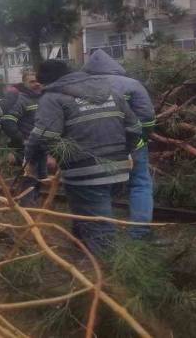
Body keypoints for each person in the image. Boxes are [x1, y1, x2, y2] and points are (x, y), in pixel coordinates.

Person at [25, 60, 141, 256]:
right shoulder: (111, 91)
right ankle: (82, 255)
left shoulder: (53, 97)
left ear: (46, 80)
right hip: (118, 167)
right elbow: (134, 128)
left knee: (98, 225)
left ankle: (109, 268)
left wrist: (33, 159)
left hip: (85, 169)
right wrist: (124, 152)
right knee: (85, 213)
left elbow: (44, 136)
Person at [82, 49, 157, 240]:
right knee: (140, 183)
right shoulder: (131, 84)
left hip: (94, 146)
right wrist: (142, 139)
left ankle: (104, 236)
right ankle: (139, 233)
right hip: (131, 143)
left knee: (101, 187)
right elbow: (147, 117)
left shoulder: (79, 87)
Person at [0, 70, 42, 163]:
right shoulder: (20, 99)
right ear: (24, 83)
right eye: (32, 82)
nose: (37, 84)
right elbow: (8, 121)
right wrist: (22, 140)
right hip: (29, 146)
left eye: (39, 81)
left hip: (45, 143)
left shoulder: (45, 97)